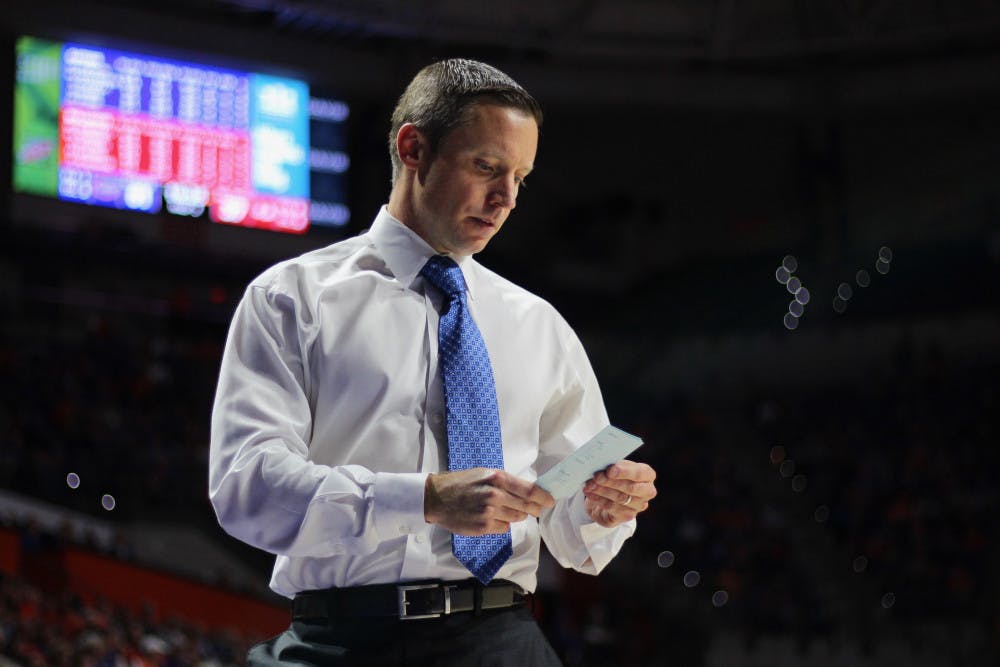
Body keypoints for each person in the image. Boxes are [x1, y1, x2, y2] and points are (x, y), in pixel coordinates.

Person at [209, 58, 657, 666]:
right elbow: (247, 488)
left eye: (520, 178)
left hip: (503, 640)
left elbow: (578, 537)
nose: (506, 199)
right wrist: (423, 499)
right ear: (413, 147)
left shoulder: (540, 325)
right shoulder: (292, 297)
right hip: (343, 642)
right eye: (487, 167)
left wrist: (604, 507)